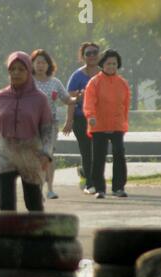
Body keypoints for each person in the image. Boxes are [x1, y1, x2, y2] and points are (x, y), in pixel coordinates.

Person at [0, 51, 53, 212]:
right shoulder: (0, 97)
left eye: (21, 69)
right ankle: (7, 236)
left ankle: (36, 235)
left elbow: (47, 130)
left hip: (31, 152)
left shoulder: (39, 99)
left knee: (33, 204)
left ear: (28, 71)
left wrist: (46, 154)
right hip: (5, 151)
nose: (16, 73)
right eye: (12, 69)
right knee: (5, 204)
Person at [84, 49, 130, 199]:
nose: (111, 66)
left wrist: (124, 122)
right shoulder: (94, 82)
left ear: (118, 65)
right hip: (99, 125)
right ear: (102, 64)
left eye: (114, 63)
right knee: (98, 157)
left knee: (119, 154)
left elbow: (126, 105)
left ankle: (118, 188)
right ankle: (100, 189)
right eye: (108, 63)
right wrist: (90, 116)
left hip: (117, 125)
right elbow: (89, 101)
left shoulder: (123, 83)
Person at [31, 49, 77, 200]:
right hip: (30, 124)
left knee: (48, 155)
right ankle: (36, 188)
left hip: (50, 125)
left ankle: (50, 189)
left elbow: (67, 100)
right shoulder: (27, 82)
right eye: (38, 62)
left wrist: (77, 99)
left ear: (48, 65)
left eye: (43, 62)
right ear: (32, 64)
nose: (40, 65)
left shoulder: (55, 82)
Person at [67, 42, 101, 195]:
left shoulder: (104, 73)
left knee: (98, 152)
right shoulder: (77, 76)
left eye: (95, 52)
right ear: (83, 57)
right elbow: (70, 100)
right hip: (81, 119)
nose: (92, 56)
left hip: (101, 119)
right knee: (87, 151)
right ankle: (89, 183)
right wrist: (69, 121)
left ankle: (92, 177)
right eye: (88, 53)